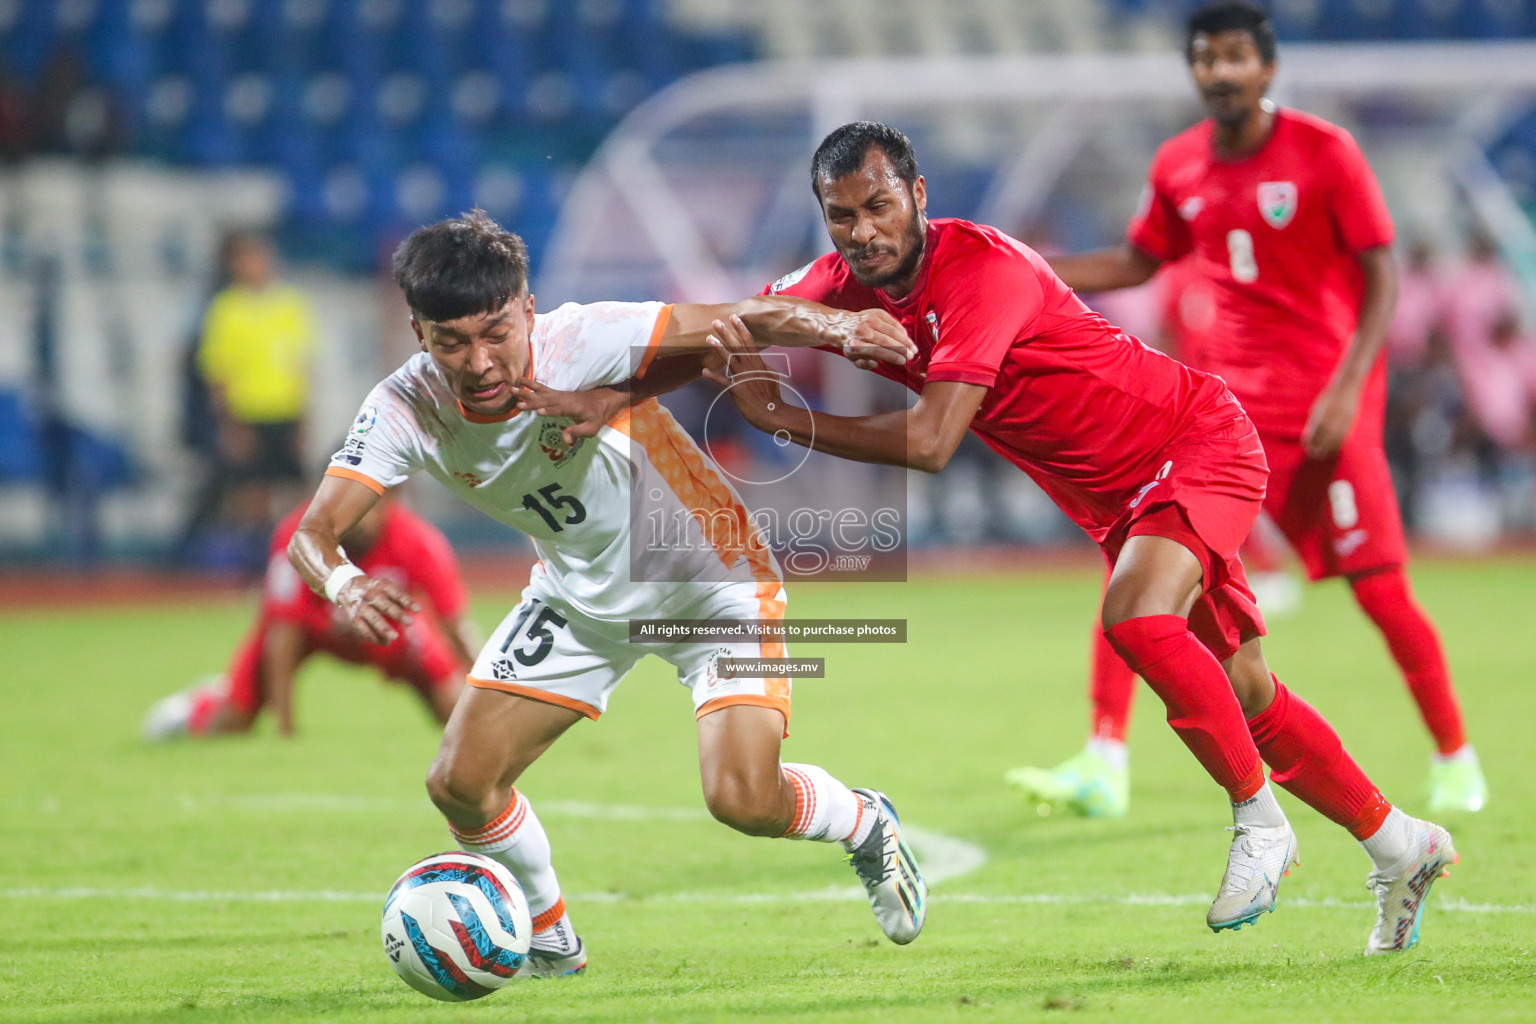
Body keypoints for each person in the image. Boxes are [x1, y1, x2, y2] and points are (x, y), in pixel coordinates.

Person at [524, 122, 1458, 954]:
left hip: (1192, 441)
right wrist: (610, 397)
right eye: (841, 214)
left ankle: (1259, 821)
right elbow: (729, 325)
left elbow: (931, 444)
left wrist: (785, 421)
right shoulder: (844, 281)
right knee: (1247, 690)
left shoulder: (983, 273)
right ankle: (1400, 843)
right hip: (1113, 493)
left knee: (1135, 620)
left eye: (879, 205)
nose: (862, 231)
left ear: (918, 196)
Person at [286, 211, 929, 978]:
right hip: (579, 601)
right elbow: (312, 533)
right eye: (452, 341)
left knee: (742, 799)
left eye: (496, 332)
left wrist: (842, 327)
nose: (480, 362)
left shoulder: (584, 339)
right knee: (460, 785)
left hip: (709, 586)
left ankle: (863, 821)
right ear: (420, 334)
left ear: (527, 309)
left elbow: (743, 317)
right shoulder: (406, 407)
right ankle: (553, 941)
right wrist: (346, 584)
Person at [1007, 0, 1487, 818]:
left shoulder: (1326, 154)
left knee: (1379, 592)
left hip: (1323, 415)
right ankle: (1103, 759)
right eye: (1205, 58)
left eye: (1234, 57)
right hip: (1224, 423)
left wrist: (1347, 390)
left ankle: (1455, 756)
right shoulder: (1180, 165)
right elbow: (1136, 260)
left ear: (1266, 68)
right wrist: (1027, 269)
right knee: (1137, 563)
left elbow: (1382, 275)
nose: (1218, 72)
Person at [143, 497, 475, 739]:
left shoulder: (420, 541)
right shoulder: (298, 533)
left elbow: (454, 624)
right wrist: (286, 728)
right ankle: (197, 707)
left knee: (459, 717)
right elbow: (284, 628)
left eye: (371, 503)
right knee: (231, 723)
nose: (361, 516)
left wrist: (493, 693)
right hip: (314, 630)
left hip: (390, 635)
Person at [193, 230, 319, 571]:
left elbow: (302, 366)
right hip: (247, 414)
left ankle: (301, 564)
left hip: (286, 411)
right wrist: (230, 425)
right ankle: (252, 569)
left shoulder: (290, 305)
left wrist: (304, 420)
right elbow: (217, 373)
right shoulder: (226, 309)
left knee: (298, 493)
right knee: (251, 497)